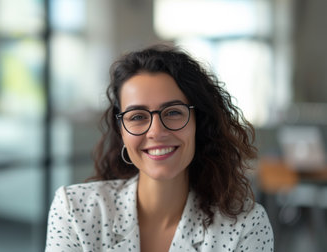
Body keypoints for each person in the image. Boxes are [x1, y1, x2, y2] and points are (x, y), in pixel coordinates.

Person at [45, 45, 274, 252]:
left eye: (173, 112)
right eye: (137, 116)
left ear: (198, 122)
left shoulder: (246, 226)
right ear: (121, 130)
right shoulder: (74, 211)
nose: (156, 131)